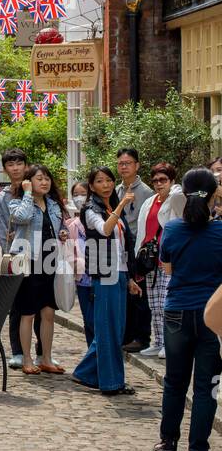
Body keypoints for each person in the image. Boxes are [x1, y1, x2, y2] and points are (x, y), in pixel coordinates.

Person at [154, 167, 222, 451]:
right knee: (206, 385)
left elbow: (167, 270)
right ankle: (198, 449)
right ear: (213, 194)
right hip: (212, 314)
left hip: (177, 310)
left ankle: (168, 442)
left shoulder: (171, 230)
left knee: (175, 381)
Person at [72, 167, 140, 396]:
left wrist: (129, 277)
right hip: (104, 274)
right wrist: (120, 206)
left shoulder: (110, 206)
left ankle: (86, 372)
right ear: (91, 186)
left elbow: (122, 247)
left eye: (109, 180)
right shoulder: (90, 209)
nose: (106, 184)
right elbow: (104, 229)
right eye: (100, 181)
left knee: (115, 329)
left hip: (118, 273)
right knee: (108, 328)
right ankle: (111, 383)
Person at [7, 165, 68, 376]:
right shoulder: (18, 202)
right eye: (39, 179)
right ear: (28, 182)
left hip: (49, 262)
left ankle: (46, 358)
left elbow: (61, 225)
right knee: (28, 312)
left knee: (48, 312)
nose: (44, 182)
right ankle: (26, 358)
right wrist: (26, 193)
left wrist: (63, 232)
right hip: (28, 262)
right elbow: (21, 218)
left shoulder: (53, 205)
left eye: (47, 179)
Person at [0, 147, 41, 369]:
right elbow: (4, 228)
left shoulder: (36, 187)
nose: (15, 168)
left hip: (41, 252)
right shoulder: (2, 197)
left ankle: (42, 351)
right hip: (16, 253)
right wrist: (7, 253)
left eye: (19, 164)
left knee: (41, 305)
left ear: (26, 165)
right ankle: (18, 351)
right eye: (10, 165)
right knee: (17, 305)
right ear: (5, 169)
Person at [133, 162, 185, 360]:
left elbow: (180, 201)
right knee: (154, 305)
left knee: (166, 303)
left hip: (169, 259)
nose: (158, 184)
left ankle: (169, 344)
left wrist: (174, 189)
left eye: (163, 180)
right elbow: (143, 231)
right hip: (151, 259)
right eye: (155, 180)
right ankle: (158, 342)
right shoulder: (150, 202)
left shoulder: (175, 199)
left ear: (172, 180)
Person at [116, 147, 153, 353]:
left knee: (141, 296)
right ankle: (128, 335)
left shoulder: (146, 191)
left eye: (128, 163)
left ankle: (142, 337)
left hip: (138, 248)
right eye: (121, 163)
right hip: (121, 247)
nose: (124, 167)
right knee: (127, 295)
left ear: (137, 165)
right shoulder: (117, 190)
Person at [67, 180, 93, 347]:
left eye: (82, 194)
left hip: (101, 277)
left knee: (99, 319)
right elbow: (69, 252)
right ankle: (92, 351)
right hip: (82, 278)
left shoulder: (98, 218)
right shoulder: (72, 226)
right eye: (75, 195)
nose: (79, 198)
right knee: (88, 319)